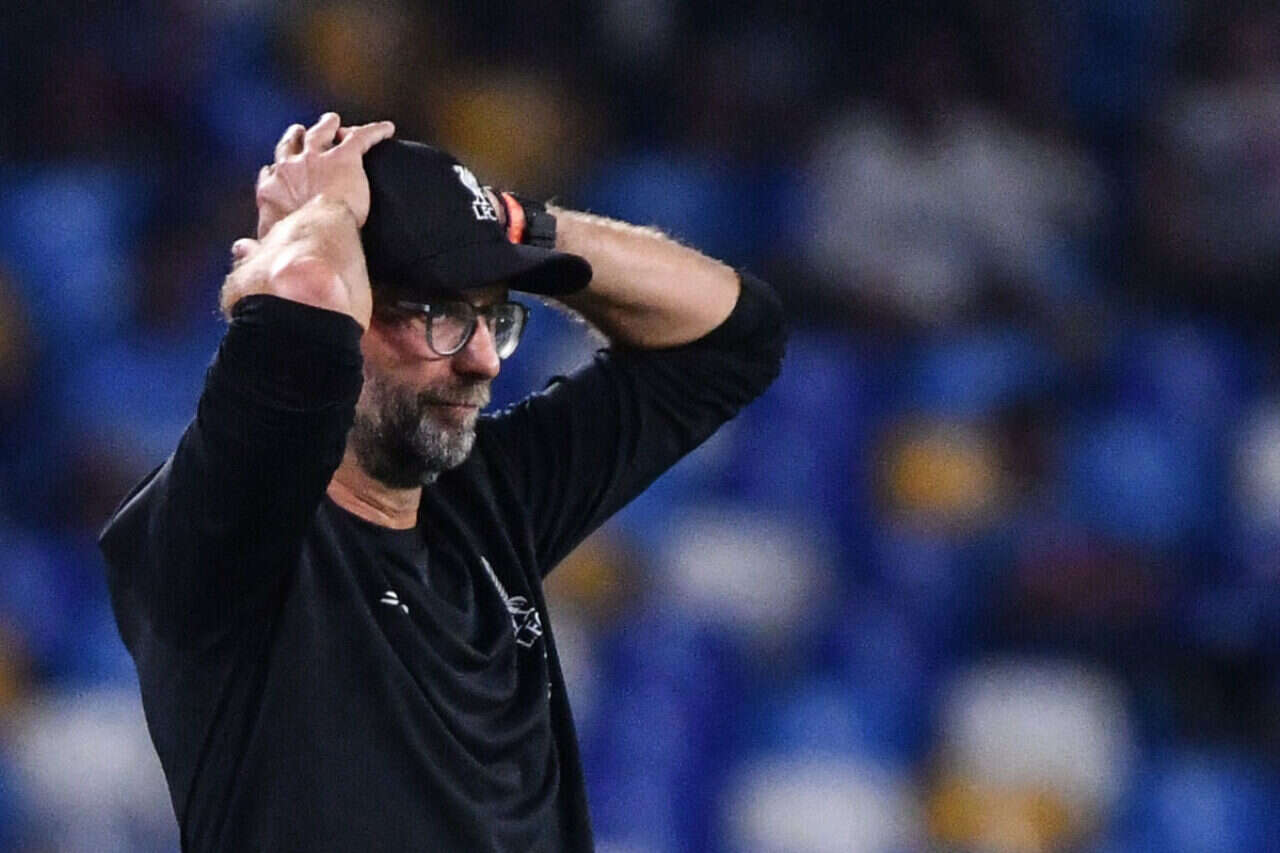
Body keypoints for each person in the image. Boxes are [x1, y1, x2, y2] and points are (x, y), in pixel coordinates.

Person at [98, 112, 785, 851]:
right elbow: (304, 285)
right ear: (347, 308)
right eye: (438, 315)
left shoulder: (486, 496)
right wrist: (322, 216)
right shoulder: (221, 534)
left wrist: (507, 225)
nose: (483, 359)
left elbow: (732, 337)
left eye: (492, 316)